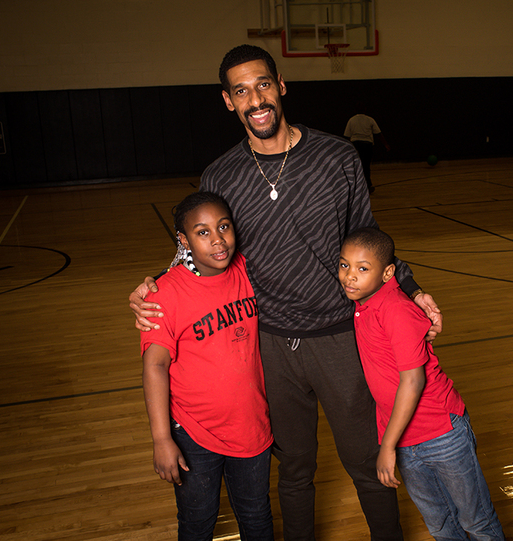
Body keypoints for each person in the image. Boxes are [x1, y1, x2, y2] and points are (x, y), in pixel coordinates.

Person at [129, 44, 443, 541]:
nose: (255, 99)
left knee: (366, 462)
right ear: (228, 102)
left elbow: (366, 232)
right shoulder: (222, 175)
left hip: (340, 336)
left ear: (281, 85)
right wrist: (155, 285)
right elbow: (205, 247)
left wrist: (410, 286)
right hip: (269, 344)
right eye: (241, 91)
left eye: (263, 85)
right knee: (294, 469)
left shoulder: (336, 156)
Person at [338, 227, 505, 541]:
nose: (349, 276)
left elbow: (413, 381)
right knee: (441, 525)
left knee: (476, 522)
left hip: (442, 433)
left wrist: (386, 447)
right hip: (404, 439)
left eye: (362, 268)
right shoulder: (364, 303)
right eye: (344, 265)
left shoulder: (396, 309)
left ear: (389, 273)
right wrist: (394, 442)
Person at [141, 191, 274, 541]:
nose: (218, 240)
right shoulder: (164, 294)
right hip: (194, 434)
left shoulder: (248, 270)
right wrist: (161, 439)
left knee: (257, 517)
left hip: (251, 424)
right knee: (198, 522)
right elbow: (154, 366)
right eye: (202, 232)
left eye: (224, 227)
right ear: (183, 240)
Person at [344, 107, 390, 193]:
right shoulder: (370, 120)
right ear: (365, 110)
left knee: (356, 166)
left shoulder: (352, 120)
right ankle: (368, 185)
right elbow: (378, 133)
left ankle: (356, 185)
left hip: (356, 144)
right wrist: (386, 144)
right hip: (367, 144)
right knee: (366, 165)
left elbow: (347, 135)